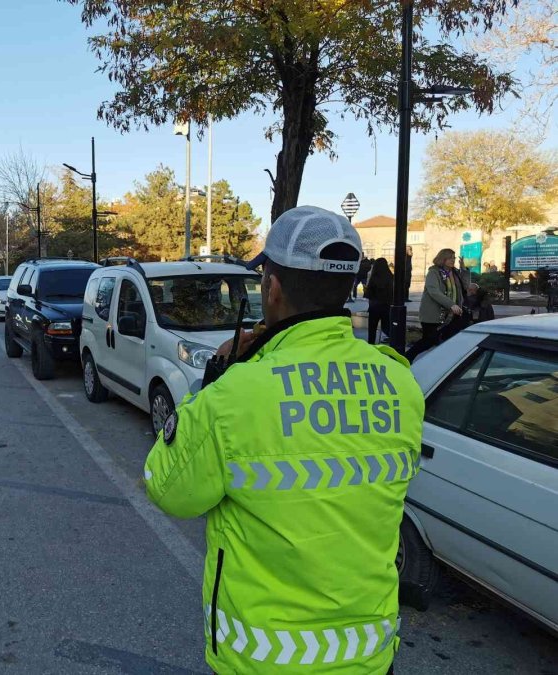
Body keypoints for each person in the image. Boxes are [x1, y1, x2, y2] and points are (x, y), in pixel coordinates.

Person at [143, 206, 423, 675]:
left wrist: (214, 380)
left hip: (263, 661)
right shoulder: (399, 381)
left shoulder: (235, 395)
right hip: (371, 654)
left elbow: (168, 489)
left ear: (271, 288)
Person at [404, 248, 466, 362]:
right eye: (450, 258)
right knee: (429, 340)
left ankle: (442, 363)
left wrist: (464, 269)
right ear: (443, 259)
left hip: (452, 314)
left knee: (447, 340)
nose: (453, 260)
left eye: (454, 258)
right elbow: (434, 291)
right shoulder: (434, 272)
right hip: (433, 314)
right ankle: (407, 357)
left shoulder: (455, 272)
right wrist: (451, 304)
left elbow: (465, 286)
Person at [365, 257, 394, 344]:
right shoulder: (391, 276)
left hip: (374, 306)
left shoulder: (374, 277)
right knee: (387, 327)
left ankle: (371, 345)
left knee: (372, 329)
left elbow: (369, 294)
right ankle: (392, 342)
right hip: (386, 306)